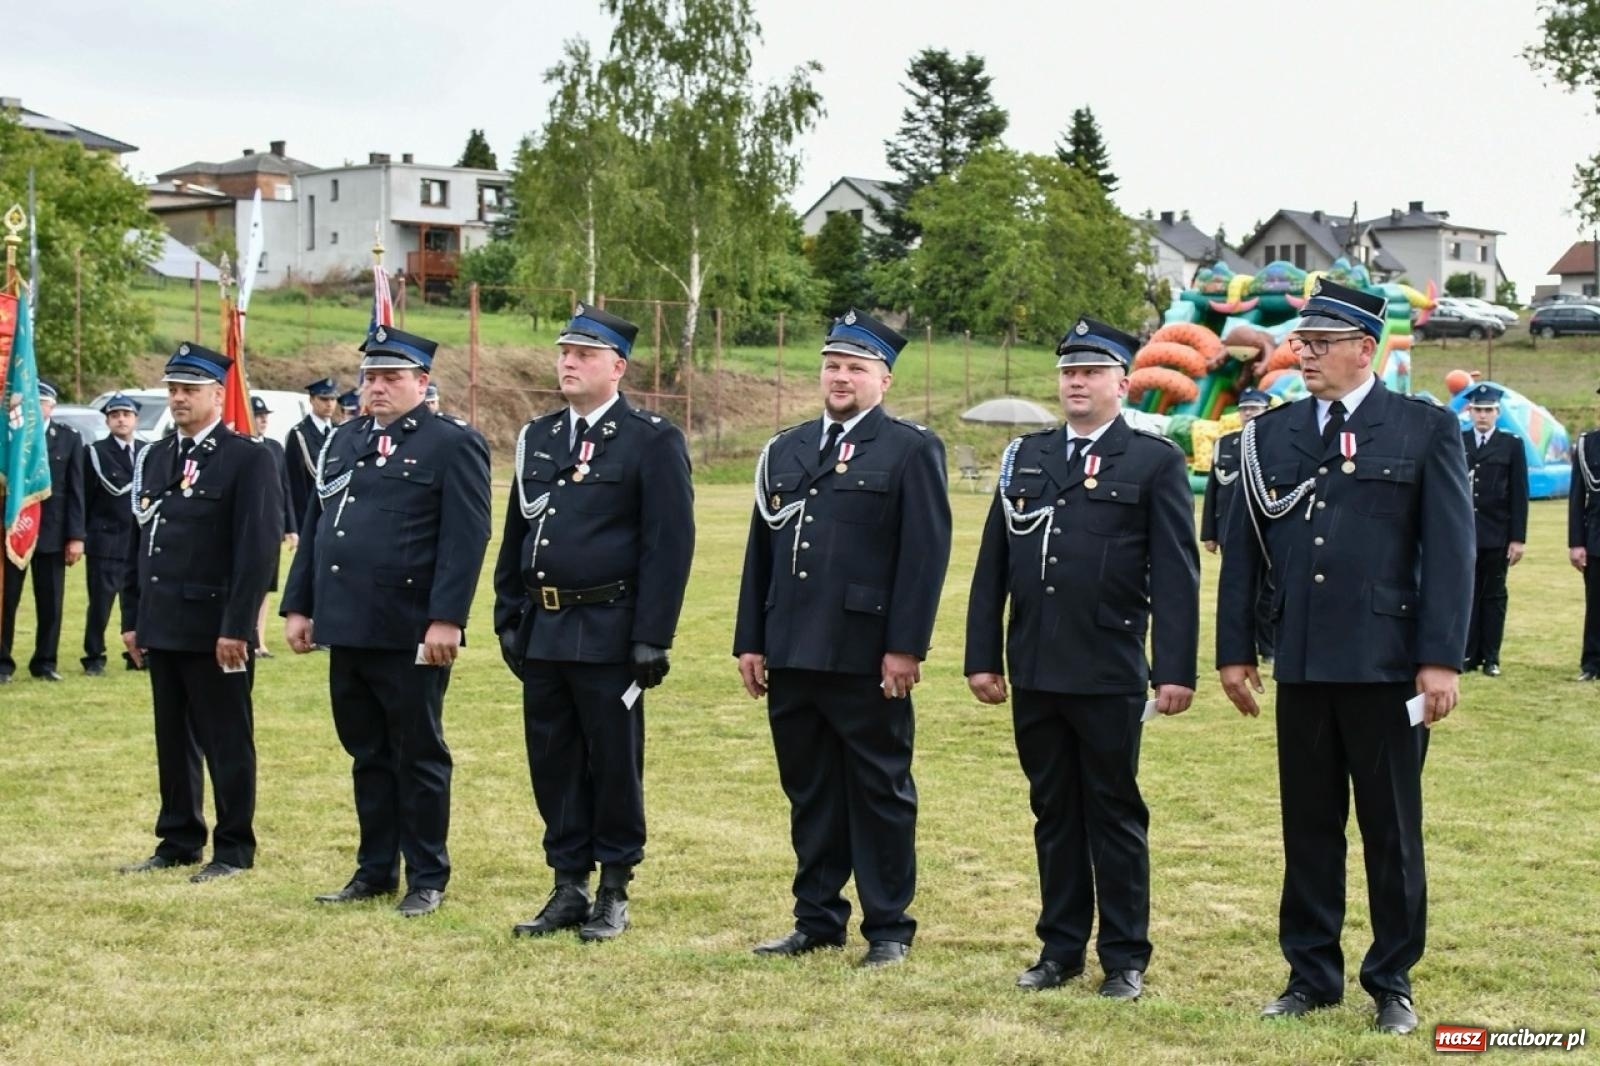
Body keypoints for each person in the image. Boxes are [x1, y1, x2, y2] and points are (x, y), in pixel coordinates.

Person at [1215, 279, 1473, 1036]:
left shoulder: (1422, 428)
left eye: (1322, 344)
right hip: (1301, 660)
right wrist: (1235, 650)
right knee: (1308, 828)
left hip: (1387, 664)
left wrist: (1441, 660)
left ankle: (1391, 980)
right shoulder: (1270, 434)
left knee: (1391, 832)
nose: (1306, 355)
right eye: (1302, 343)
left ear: (1366, 348)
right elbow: (1243, 553)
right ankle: (1310, 975)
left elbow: (1450, 553)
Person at [965, 316, 1199, 1001]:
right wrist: (983, 656)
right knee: (1053, 811)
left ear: (1121, 383)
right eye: (1069, 371)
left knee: (1114, 812)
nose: (1077, 383)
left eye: (1092, 372)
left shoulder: (1153, 461)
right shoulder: (1027, 456)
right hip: (1036, 664)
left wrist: (1175, 669)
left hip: (1107, 667)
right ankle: (1059, 949)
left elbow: (1176, 574)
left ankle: (1124, 957)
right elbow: (993, 565)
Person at [734, 309, 952, 968]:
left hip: (865, 653)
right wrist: (751, 639)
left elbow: (924, 556)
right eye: (832, 365)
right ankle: (817, 918)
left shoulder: (910, 449)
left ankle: (888, 927)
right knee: (810, 791)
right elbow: (761, 551)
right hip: (792, 646)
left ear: (884, 380)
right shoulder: (788, 448)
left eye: (856, 367)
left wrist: (905, 645)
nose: (841, 377)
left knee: (880, 791)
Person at [492, 304, 695, 942]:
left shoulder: (651, 439)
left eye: (584, 354)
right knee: (551, 759)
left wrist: (652, 635)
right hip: (544, 627)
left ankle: (614, 887)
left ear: (617, 367)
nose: (569, 363)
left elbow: (669, 545)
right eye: (564, 353)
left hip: (609, 627)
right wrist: (507, 613)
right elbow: (518, 530)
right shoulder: (539, 436)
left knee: (612, 761)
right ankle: (568, 884)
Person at [283, 324, 492, 918]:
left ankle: (426, 875)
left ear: (421, 383)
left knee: (417, 754)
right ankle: (375, 869)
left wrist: (446, 619)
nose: (376, 387)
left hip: (408, 628)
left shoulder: (451, 443)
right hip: (346, 623)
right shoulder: (345, 439)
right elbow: (317, 524)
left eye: (391, 377)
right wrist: (300, 605)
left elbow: (466, 537)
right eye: (370, 376)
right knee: (367, 752)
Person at [118, 344, 282, 882]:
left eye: (189, 389)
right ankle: (178, 838)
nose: (178, 398)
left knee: (226, 739)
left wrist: (237, 626)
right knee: (172, 738)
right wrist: (132, 618)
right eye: (173, 389)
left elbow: (256, 549)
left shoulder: (248, 457)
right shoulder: (155, 456)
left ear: (217, 394)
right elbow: (138, 542)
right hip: (163, 621)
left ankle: (233, 847)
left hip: (215, 627)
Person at [1, 380, 85, 683]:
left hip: (52, 531)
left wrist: (76, 536)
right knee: (7, 600)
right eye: (31, 402)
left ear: (52, 405)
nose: (36, 408)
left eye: (42, 402)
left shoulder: (69, 438)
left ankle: (45, 662)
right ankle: (2, 663)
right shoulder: (9, 436)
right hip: (14, 531)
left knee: (51, 602)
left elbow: (76, 490)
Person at [1201, 388, 1275, 662]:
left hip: (1266, 529)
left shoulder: (1276, 443)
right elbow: (1213, 490)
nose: (1248, 413)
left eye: (1255, 408)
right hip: (1231, 531)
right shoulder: (1225, 444)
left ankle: (1268, 647)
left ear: (1266, 411)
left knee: (1268, 590)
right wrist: (1209, 533)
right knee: (1237, 593)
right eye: (1244, 409)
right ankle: (1240, 648)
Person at [1460, 384, 1527, 677]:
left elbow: (1519, 494)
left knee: (1494, 595)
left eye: (1488, 410)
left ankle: (1491, 656)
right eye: (1478, 410)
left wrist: (1517, 538)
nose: (1483, 416)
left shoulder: (1511, 444)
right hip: (1464, 534)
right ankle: (1468, 654)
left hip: (1496, 533)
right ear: (1470, 412)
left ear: (1497, 413)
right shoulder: (1459, 440)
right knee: (1466, 595)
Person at [81, 393, 145, 675]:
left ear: (136, 419)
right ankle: (94, 656)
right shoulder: (96, 452)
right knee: (101, 603)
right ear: (107, 421)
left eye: (126, 415)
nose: (121, 420)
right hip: (106, 538)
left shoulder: (147, 450)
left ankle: (137, 655)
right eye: (115, 415)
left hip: (138, 540)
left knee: (139, 601)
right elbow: (85, 496)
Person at [251, 396, 299, 658]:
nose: (263, 420)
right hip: (248, 525)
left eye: (265, 416)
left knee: (266, 586)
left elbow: (285, 488)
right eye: (257, 415)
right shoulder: (240, 446)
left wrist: (291, 526)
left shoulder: (274, 447)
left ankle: (259, 641)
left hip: (272, 525)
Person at [1572, 385, 1600, 681]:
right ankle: (1592, 663)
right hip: (1596, 539)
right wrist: (1576, 543)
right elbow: (1577, 497)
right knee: (1596, 606)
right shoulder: (1587, 444)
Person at [285, 377, 338, 529]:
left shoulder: (339, 431)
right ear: (312, 400)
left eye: (333, 399)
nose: (329, 404)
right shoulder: (299, 434)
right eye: (324, 399)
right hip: (308, 513)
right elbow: (293, 482)